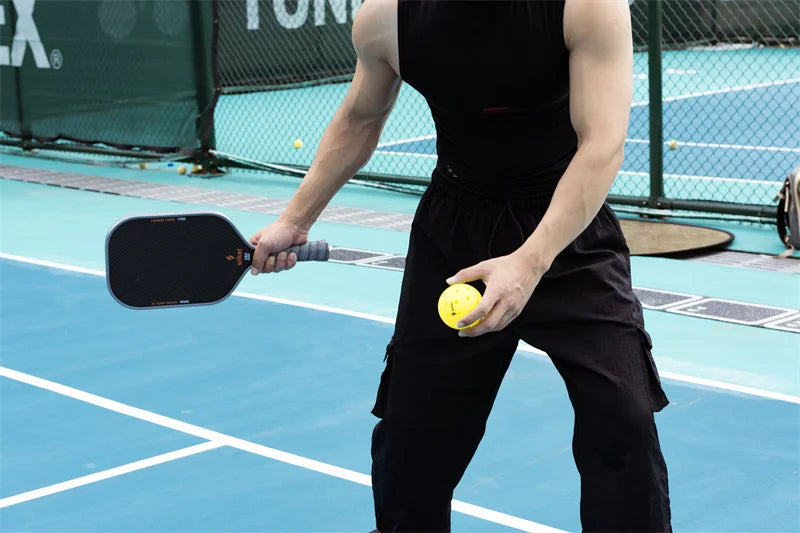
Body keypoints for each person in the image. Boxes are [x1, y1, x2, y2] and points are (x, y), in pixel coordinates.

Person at [248, 0, 672, 531]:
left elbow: (602, 144)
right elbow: (361, 118)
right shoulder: (387, 18)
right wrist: (296, 219)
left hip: (567, 230)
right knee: (411, 442)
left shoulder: (585, 6)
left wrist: (528, 263)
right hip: (454, 230)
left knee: (624, 422)